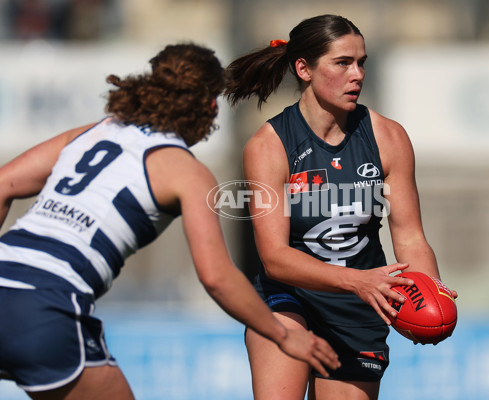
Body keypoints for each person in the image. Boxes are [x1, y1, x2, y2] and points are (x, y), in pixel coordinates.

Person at [0, 42, 340, 400]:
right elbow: (217, 278)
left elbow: (4, 184)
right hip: (46, 306)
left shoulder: (91, 133)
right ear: (209, 107)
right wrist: (284, 334)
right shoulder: (186, 172)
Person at [224, 14, 457, 400]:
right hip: (289, 295)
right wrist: (359, 282)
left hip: (360, 302)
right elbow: (275, 259)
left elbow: (410, 236)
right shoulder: (268, 146)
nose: (358, 74)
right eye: (343, 62)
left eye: (362, 62)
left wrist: (429, 293)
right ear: (304, 69)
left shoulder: (388, 136)